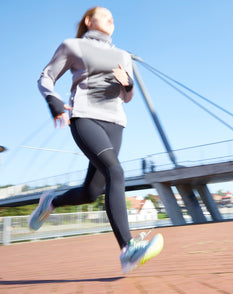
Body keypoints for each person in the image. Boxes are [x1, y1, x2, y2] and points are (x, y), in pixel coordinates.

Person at [28, 6, 163, 274]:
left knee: (91, 192)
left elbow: (127, 97)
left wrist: (128, 85)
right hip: (85, 117)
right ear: (89, 20)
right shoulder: (73, 46)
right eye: (105, 15)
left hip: (115, 122)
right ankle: (128, 249)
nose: (112, 19)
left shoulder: (123, 55)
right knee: (116, 171)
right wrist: (53, 101)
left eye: (114, 16)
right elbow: (46, 77)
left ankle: (51, 202)